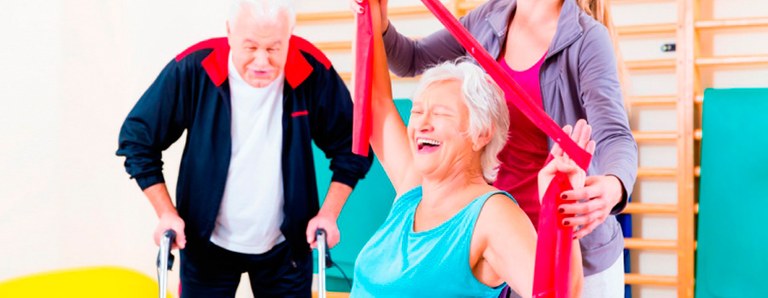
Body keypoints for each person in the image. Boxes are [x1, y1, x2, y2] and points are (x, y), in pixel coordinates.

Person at [351, 0, 637, 295]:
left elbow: (614, 135)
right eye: (418, 112)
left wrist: (612, 186)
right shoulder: (488, 18)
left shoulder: (585, 38)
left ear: (481, 134)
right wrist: (375, 17)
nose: (423, 122)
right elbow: (409, 62)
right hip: (499, 232)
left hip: (561, 233)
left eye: (440, 114)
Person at [116, 0, 372, 296]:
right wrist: (166, 213)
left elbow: (354, 147)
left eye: (274, 49)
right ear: (229, 33)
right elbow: (136, 138)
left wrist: (328, 214)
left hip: (285, 246)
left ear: (290, 35)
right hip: (206, 244)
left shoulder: (311, 70)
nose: (262, 62)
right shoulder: (196, 68)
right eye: (250, 48)